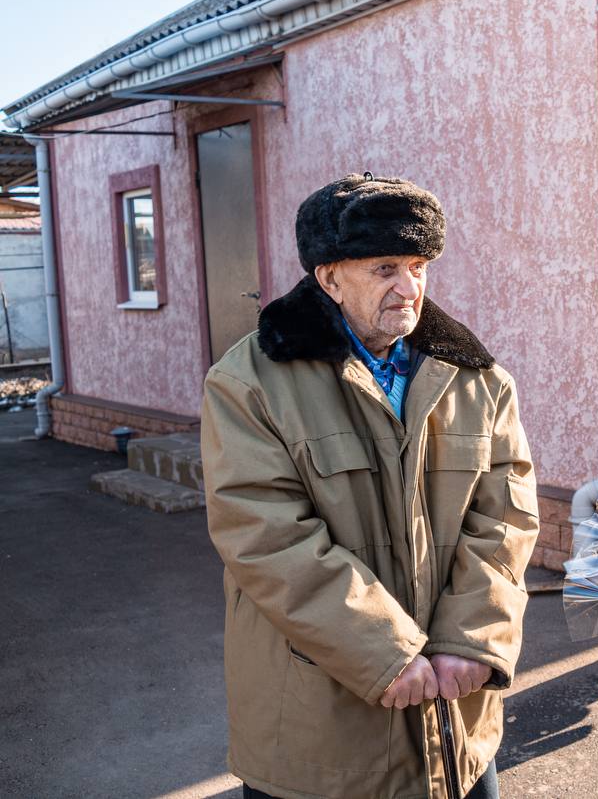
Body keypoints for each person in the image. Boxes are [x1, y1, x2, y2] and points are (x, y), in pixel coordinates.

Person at [201, 174, 539, 799]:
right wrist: (385, 652)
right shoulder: (250, 382)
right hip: (320, 734)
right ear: (328, 277)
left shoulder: (478, 379)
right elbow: (265, 536)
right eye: (385, 267)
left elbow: (505, 518)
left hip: (450, 728)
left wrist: (472, 637)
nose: (408, 287)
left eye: (418, 266)